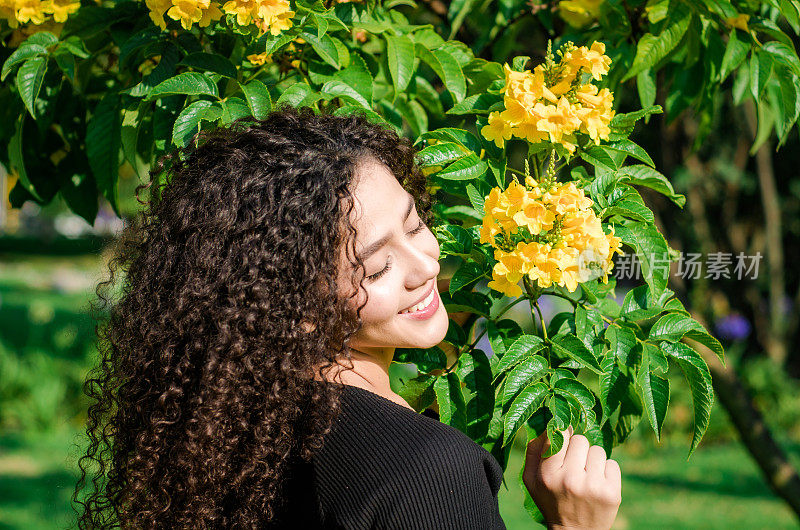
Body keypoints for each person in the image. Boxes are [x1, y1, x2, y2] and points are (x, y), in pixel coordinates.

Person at [73, 105, 621, 529]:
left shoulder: (230, 429)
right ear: (300, 307)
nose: (424, 265)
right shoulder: (429, 475)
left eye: (413, 224)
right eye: (379, 265)